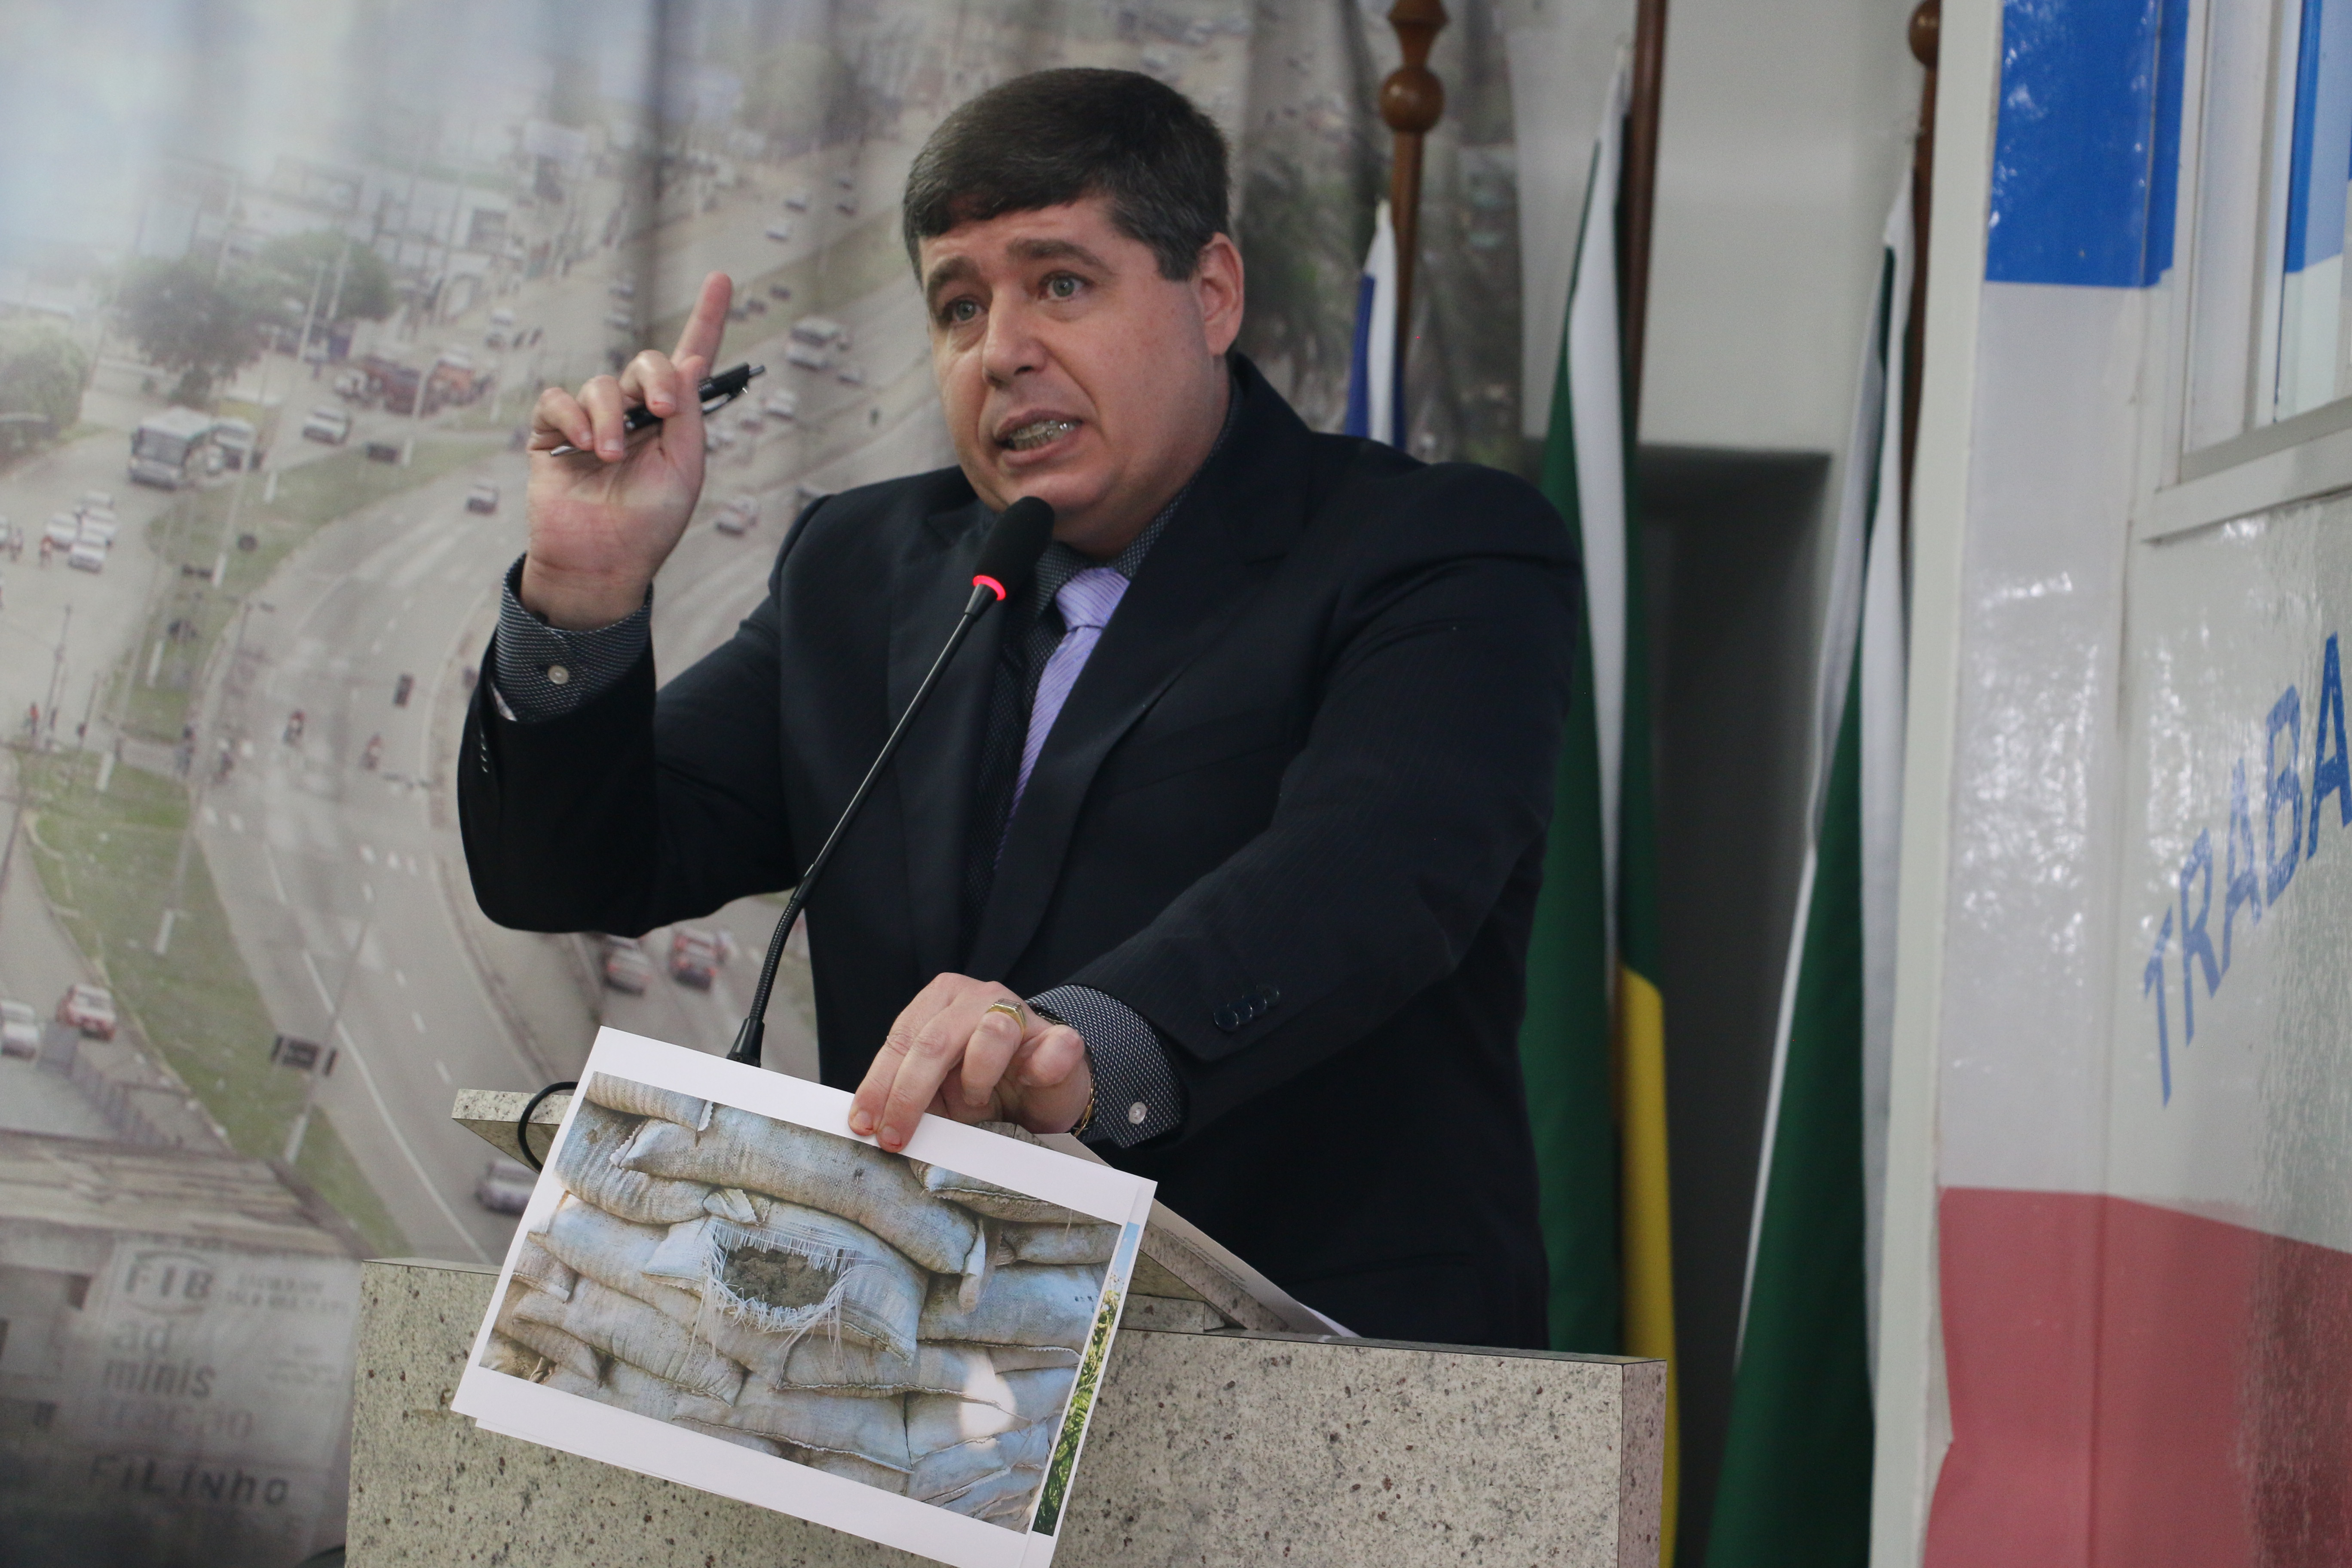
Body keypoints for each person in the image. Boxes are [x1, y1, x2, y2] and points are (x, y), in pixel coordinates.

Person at [459, 68, 1579, 1348]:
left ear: (1213, 292)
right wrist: (584, 593)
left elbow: (1373, 867)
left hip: (1318, 1372)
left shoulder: (1438, 548)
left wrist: (1072, 1047)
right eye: (959, 306)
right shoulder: (860, 569)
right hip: (920, 1370)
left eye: (1062, 284)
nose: (1001, 352)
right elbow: (570, 870)